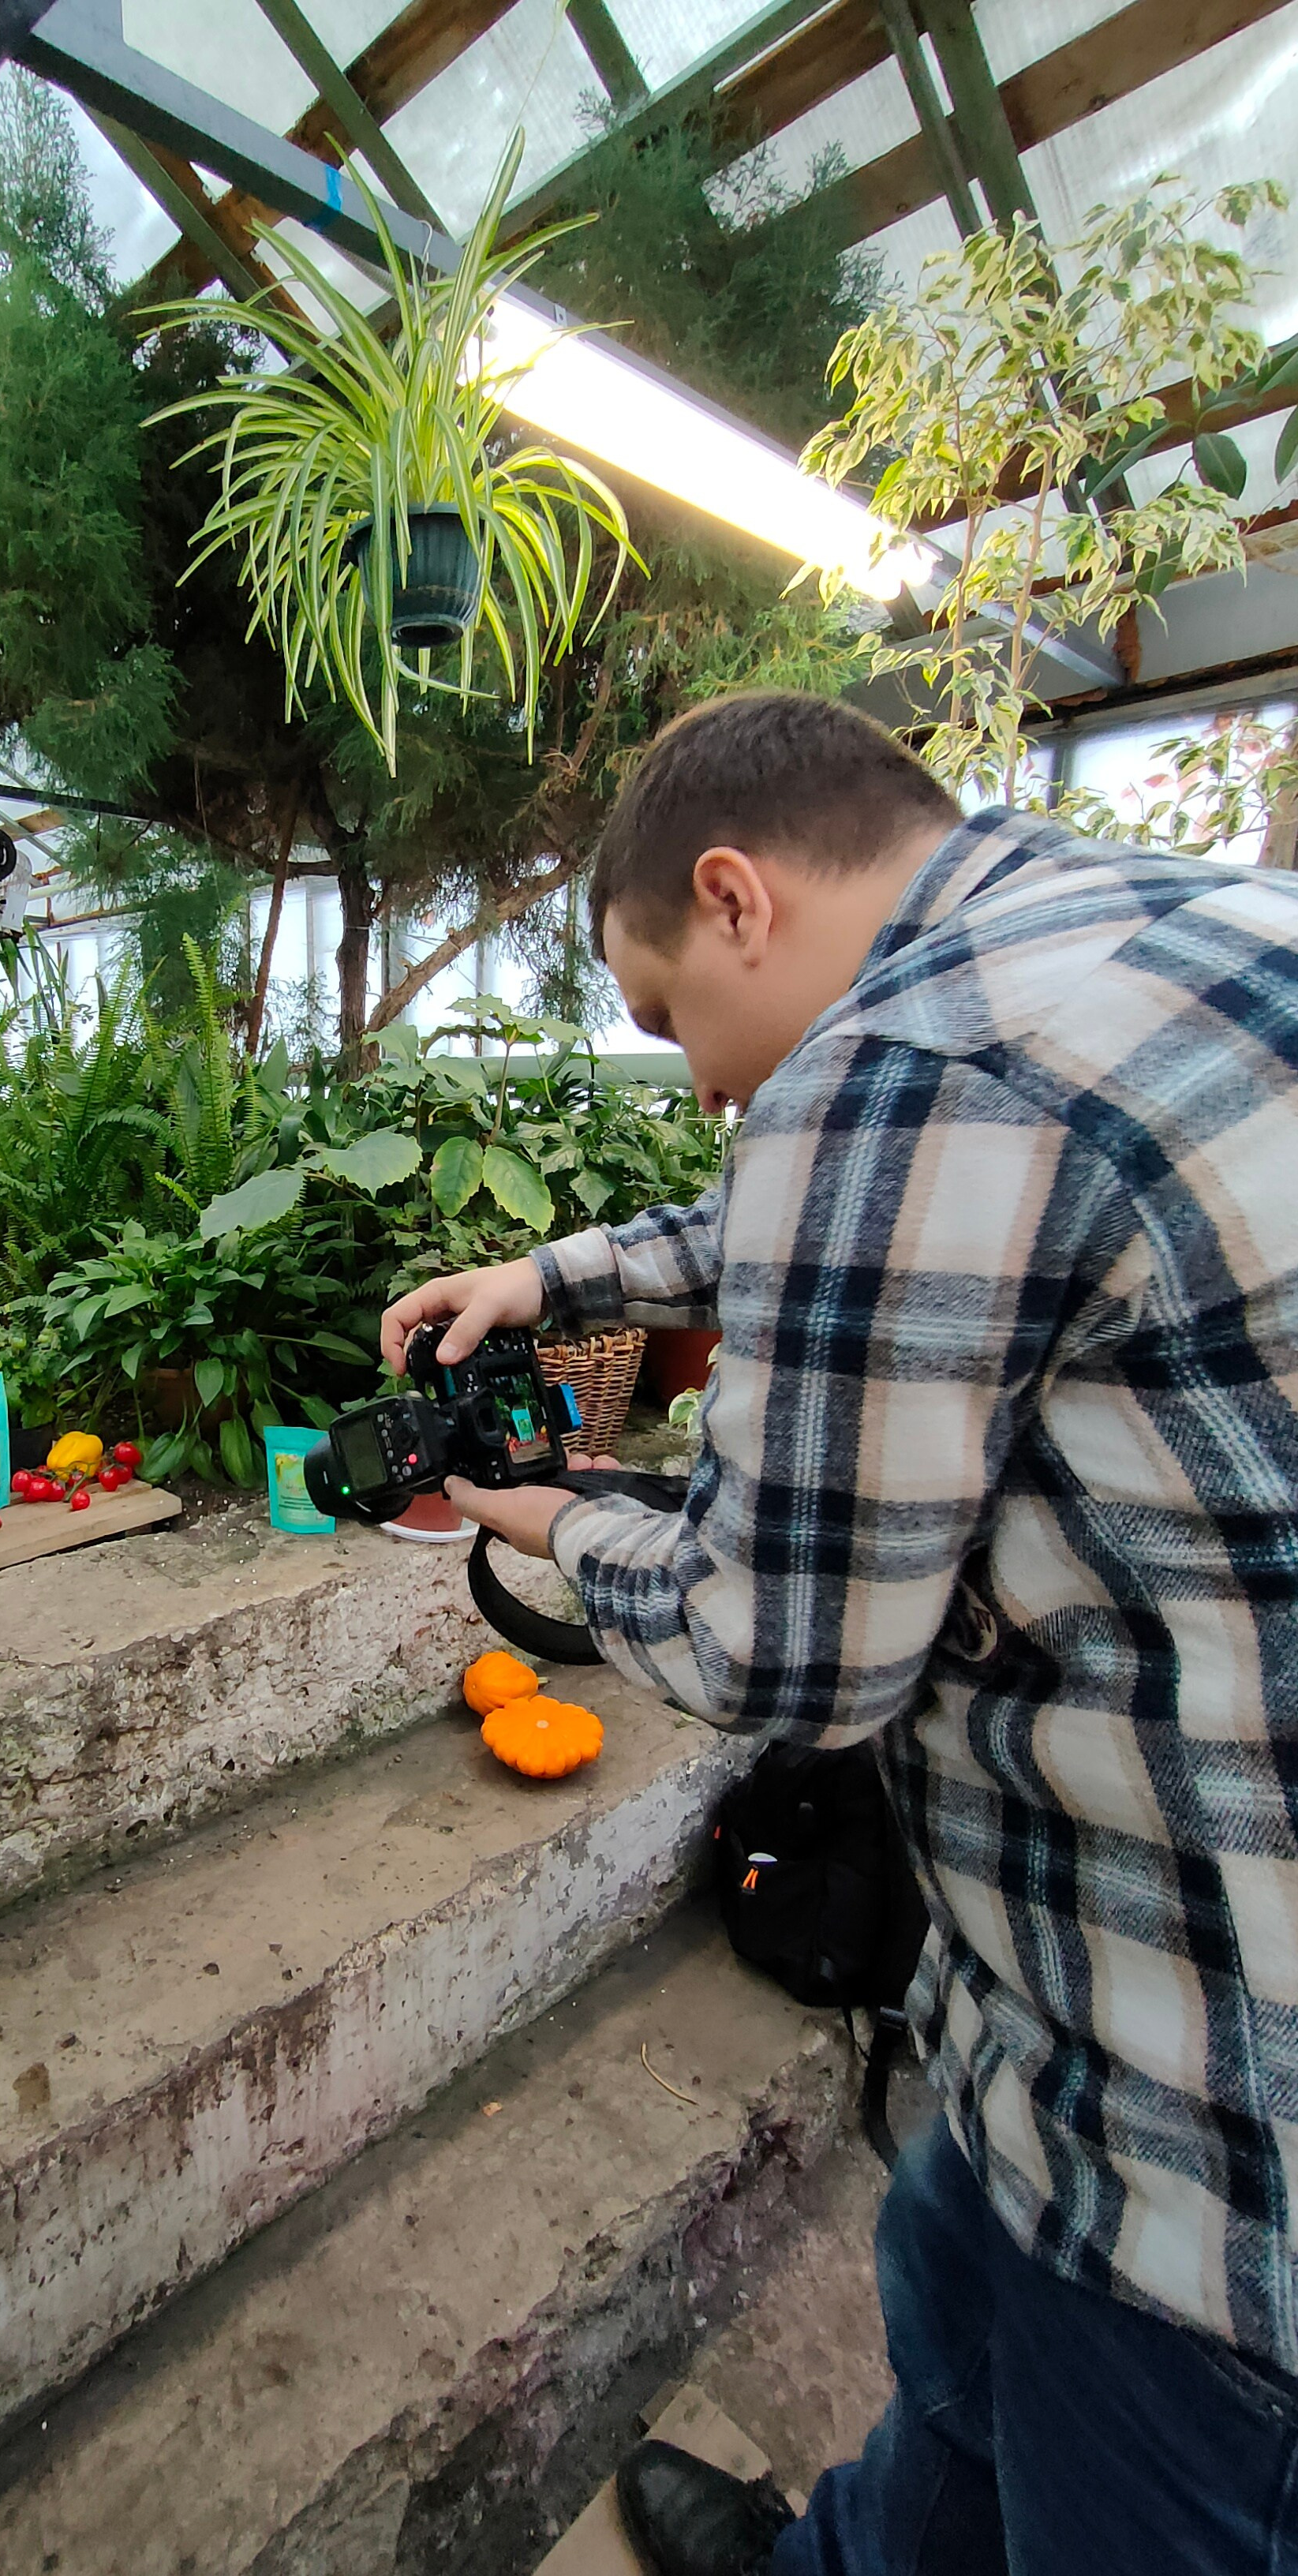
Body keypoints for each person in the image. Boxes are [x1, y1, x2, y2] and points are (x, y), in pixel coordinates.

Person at [380, 692, 1298, 2576]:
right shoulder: (1180, 933)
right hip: (1072, 2002)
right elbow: (832, 1214)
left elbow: (781, 1661)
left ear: (734, 899)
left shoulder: (908, 1070)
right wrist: (547, 1278)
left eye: (667, 1023)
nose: (711, 1092)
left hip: (1208, 2147)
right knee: (956, 2330)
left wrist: (562, 1519)